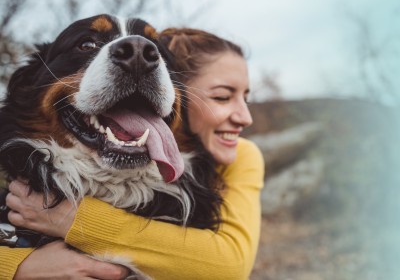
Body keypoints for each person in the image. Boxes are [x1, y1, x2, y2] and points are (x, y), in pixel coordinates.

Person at [0, 28, 265, 280]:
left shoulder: (242, 155)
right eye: (221, 97)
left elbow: (230, 265)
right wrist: (17, 266)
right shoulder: (19, 191)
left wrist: (74, 220)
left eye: (246, 99)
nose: (246, 118)